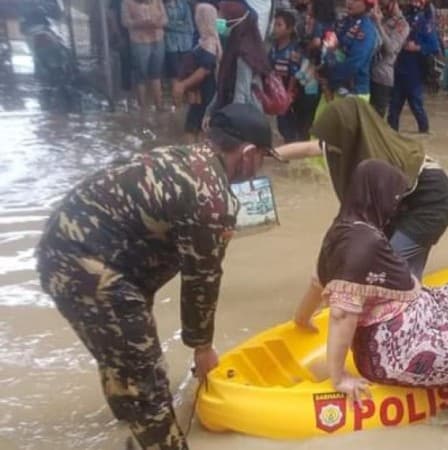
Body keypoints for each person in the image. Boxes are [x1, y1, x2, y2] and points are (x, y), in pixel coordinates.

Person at [36, 103, 274, 449]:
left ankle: (131, 431)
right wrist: (202, 348)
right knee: (145, 381)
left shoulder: (184, 157)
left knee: (126, 359)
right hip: (86, 267)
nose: (259, 167)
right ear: (249, 153)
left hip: (68, 252)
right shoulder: (212, 199)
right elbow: (201, 281)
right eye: (264, 157)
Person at [294, 159, 448, 415]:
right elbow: (341, 315)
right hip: (393, 349)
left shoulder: (345, 227)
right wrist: (338, 377)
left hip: (414, 312)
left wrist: (302, 319)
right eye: (395, 196)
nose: (398, 203)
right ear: (380, 196)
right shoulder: (361, 246)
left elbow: (318, 281)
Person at [275, 97, 448, 278]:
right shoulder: (354, 140)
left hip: (432, 203)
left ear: (348, 132)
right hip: (407, 201)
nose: (328, 146)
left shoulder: (378, 162)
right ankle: (412, 289)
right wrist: (269, 153)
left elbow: (369, 221)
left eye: (331, 140)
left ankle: (411, 299)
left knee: (387, 265)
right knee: (391, 262)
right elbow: (308, 149)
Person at [314, 0, 379, 121]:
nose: (349, 2)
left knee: (343, 137)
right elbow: (335, 49)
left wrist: (329, 75)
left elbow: (354, 63)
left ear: (367, 4)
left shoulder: (366, 29)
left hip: (352, 91)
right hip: (333, 88)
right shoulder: (345, 22)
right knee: (318, 130)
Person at [205, 1, 271, 118]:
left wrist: (231, 122)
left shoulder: (244, 54)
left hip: (244, 118)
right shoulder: (234, 46)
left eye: (222, 16)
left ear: (236, 19)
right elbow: (223, 83)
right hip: (236, 111)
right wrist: (209, 111)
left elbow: (241, 95)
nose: (218, 19)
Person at [387, 0, 439, 133]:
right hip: (399, 70)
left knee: (416, 106)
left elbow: (434, 47)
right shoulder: (404, 18)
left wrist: (417, 47)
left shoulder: (425, 22)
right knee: (394, 107)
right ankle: (391, 136)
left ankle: (424, 131)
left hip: (414, 74)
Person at [173, 3, 222, 141]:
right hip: (202, 93)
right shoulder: (207, 40)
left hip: (204, 94)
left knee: (194, 127)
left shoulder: (209, 43)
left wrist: (183, 85)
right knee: (198, 126)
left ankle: (195, 158)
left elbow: (204, 70)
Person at [121, 0, 168, 111]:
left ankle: (159, 105)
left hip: (157, 39)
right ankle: (142, 107)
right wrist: (139, 23)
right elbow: (125, 22)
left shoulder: (157, 1)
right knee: (140, 74)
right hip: (139, 40)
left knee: (156, 73)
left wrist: (157, 23)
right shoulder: (127, 2)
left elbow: (165, 19)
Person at [369, 0, 409, 118]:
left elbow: (391, 48)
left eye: (382, 4)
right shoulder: (379, 18)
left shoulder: (402, 25)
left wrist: (378, 24)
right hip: (366, 74)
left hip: (381, 77)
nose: (381, 7)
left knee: (375, 121)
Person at [269, 10, 305, 142]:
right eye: (274, 24)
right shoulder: (274, 47)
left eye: (279, 25)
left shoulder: (293, 50)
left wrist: (288, 94)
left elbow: (294, 74)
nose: (275, 28)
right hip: (277, 89)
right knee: (280, 119)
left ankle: (291, 143)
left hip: (289, 90)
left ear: (289, 29)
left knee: (287, 119)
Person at [163, 0, 195, 108]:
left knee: (188, 74)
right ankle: (177, 106)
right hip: (170, 45)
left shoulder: (184, 5)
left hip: (186, 44)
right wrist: (179, 25)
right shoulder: (162, 6)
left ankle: (191, 106)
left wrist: (171, 26)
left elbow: (189, 26)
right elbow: (163, 24)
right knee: (175, 75)